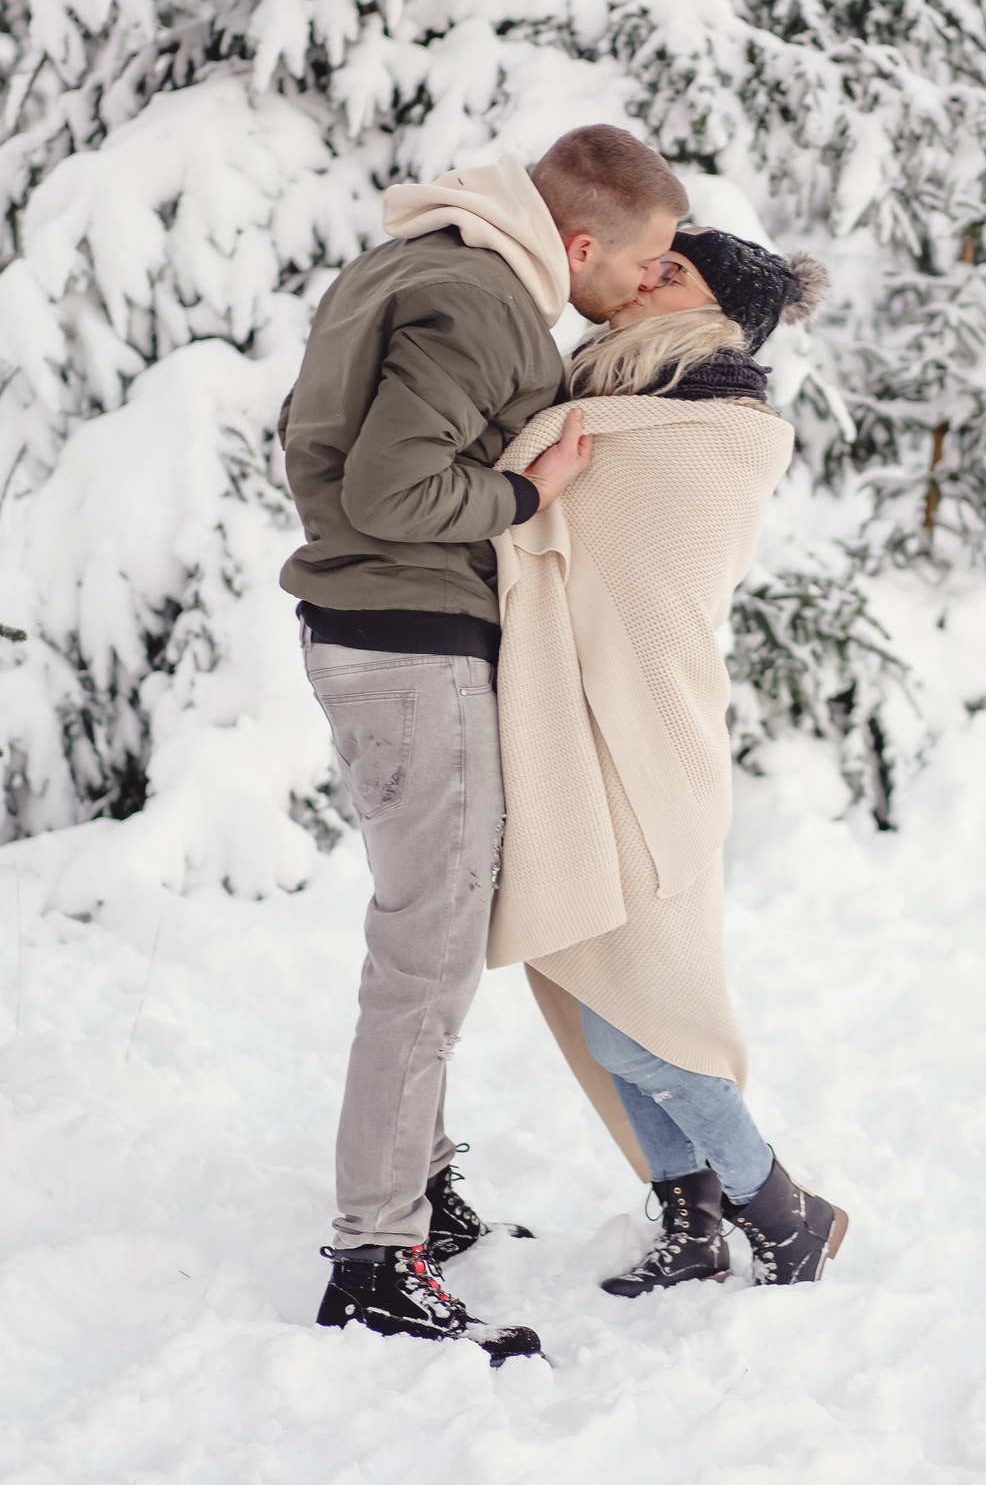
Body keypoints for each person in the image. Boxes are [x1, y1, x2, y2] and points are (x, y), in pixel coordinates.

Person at [278, 126, 688, 1363]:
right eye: (646, 260)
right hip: (408, 640)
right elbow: (390, 492)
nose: (646, 286)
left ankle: (418, 1192)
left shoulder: (423, 261)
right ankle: (374, 1255)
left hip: (382, 632)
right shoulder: (482, 298)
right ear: (579, 243)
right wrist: (526, 497)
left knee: (432, 926)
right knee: (430, 949)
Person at [488, 226, 849, 1299]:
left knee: (642, 1013)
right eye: (650, 261)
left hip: (653, 737)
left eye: (672, 271)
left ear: (715, 313)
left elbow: (554, 500)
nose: (643, 277)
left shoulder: (720, 425)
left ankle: (785, 1209)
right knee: (605, 985)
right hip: (580, 726)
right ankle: (690, 1221)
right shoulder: (600, 394)